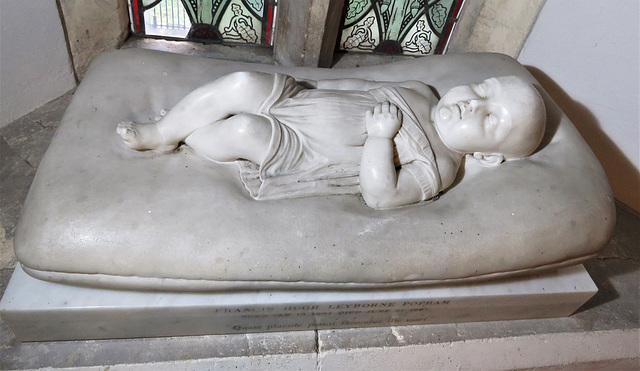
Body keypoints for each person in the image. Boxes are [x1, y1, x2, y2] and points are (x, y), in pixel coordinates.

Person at [117, 72, 546, 209]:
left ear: (487, 155)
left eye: (490, 118)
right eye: (483, 90)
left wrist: (381, 138)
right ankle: (161, 132)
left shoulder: (443, 166)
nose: (473, 104)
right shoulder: (422, 91)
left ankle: (185, 135)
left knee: (243, 130)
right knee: (244, 81)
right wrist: (310, 87)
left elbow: (382, 195)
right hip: (299, 102)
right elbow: (359, 83)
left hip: (303, 151)